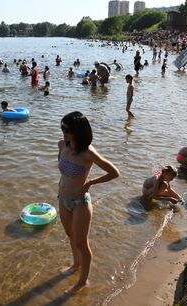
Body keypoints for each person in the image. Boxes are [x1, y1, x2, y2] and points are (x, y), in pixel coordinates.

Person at [57, 111, 119, 294]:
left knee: (82, 244)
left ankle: (82, 282)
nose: (63, 132)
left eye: (67, 129)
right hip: (62, 199)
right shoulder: (62, 145)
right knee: (70, 236)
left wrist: (91, 182)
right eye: (62, 128)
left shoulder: (88, 152)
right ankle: (76, 265)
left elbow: (114, 172)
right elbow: (62, 168)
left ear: (78, 130)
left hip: (80, 203)